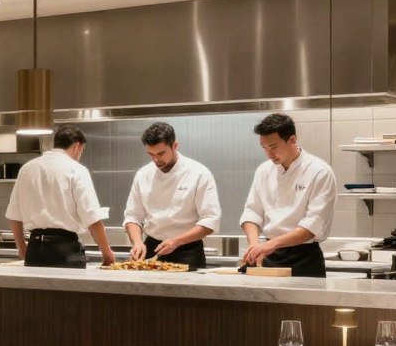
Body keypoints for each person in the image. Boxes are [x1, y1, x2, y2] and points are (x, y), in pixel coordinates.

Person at [240, 112, 338, 278]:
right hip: (269, 256)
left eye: (273, 147)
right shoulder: (264, 171)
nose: (269, 154)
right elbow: (252, 212)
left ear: (292, 140)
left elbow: (312, 226)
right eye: (264, 148)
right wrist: (255, 244)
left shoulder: (319, 171)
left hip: (304, 257)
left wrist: (271, 245)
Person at [6, 126, 116, 268]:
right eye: (82, 150)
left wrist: (21, 248)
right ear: (77, 146)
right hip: (65, 249)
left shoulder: (27, 169)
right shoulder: (77, 169)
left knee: (37, 284)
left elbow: (14, 215)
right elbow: (92, 218)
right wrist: (107, 253)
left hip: (35, 249)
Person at [122, 122, 221, 269]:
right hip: (152, 248)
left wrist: (177, 241)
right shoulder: (143, 175)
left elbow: (210, 220)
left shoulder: (198, 173)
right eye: (151, 154)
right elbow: (133, 217)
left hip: (187, 250)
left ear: (175, 146)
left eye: (161, 153)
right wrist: (137, 242)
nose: (156, 160)